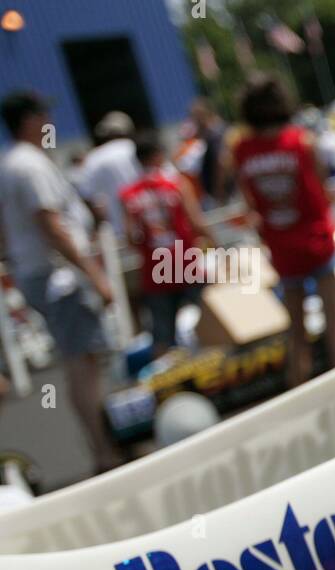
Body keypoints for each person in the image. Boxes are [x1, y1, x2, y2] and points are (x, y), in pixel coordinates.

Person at [0, 91, 121, 475]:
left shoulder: (14, 164)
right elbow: (51, 226)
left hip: (43, 274)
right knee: (81, 362)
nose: (50, 120)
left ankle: (104, 445)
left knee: (81, 360)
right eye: (44, 113)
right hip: (59, 279)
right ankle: (103, 450)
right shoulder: (30, 165)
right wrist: (94, 273)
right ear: (29, 120)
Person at [227, 75, 335, 388]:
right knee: (333, 324)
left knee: (296, 331)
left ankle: (299, 391)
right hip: (316, 239)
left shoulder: (241, 149)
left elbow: (248, 200)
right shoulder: (301, 140)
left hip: (280, 245)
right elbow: (323, 189)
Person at [119, 134, 214, 359]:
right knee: (212, 318)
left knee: (162, 335)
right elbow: (196, 221)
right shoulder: (177, 184)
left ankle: (162, 381)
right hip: (185, 262)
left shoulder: (128, 194)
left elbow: (131, 237)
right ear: (159, 155)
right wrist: (215, 244)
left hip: (155, 269)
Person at [78, 111, 140, 239]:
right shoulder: (138, 149)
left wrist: (99, 222)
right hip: (152, 227)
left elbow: (85, 194)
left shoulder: (93, 157)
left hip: (118, 231)